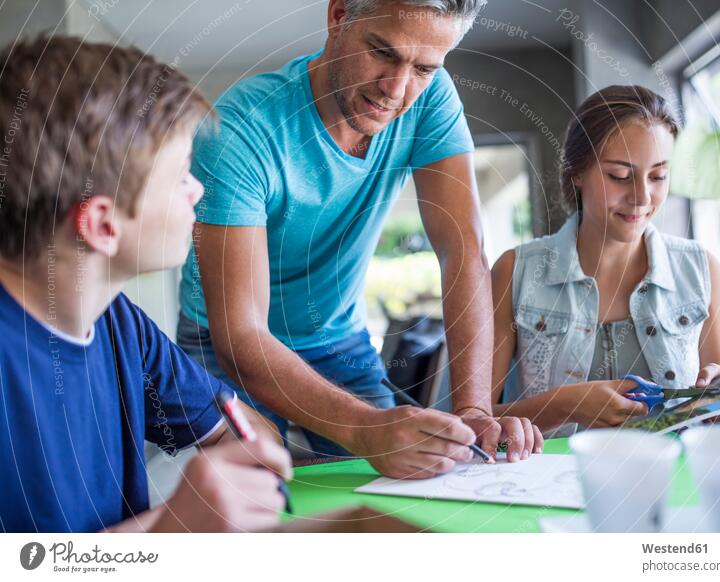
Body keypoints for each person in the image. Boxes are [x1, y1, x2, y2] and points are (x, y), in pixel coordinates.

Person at [179, 0, 541, 476]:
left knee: (407, 486)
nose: (396, 89)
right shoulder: (241, 130)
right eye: (381, 51)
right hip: (222, 342)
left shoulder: (431, 99)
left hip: (337, 337)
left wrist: (475, 409)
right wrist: (367, 429)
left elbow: (463, 249)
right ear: (338, 15)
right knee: (250, 500)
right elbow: (243, 335)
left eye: (424, 68)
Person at [0, 36, 291, 532]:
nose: (196, 188)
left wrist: (246, 463)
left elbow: (242, 432)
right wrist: (171, 530)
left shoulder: (117, 321)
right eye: (180, 175)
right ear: (103, 226)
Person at [490, 85, 720, 437]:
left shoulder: (700, 270)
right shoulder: (516, 271)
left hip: (673, 484)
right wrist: (565, 405)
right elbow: (471, 421)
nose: (641, 197)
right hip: (548, 488)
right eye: (620, 176)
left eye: (658, 176)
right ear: (577, 173)